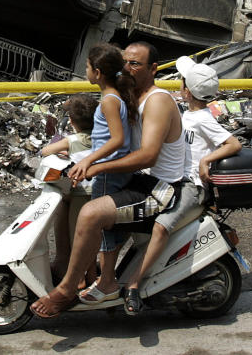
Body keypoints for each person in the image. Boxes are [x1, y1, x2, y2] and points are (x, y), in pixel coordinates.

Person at [30, 40, 188, 319]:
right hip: (138, 180)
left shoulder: (158, 101)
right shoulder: (127, 96)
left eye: (135, 63)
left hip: (159, 188)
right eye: (125, 61)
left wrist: (96, 166)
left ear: (153, 69)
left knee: (91, 214)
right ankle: (98, 278)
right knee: (82, 202)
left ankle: (68, 289)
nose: (127, 68)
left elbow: (148, 156)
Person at [117, 55, 242, 312]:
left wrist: (206, 159)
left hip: (191, 187)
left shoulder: (204, 119)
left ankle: (134, 285)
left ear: (186, 90)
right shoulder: (184, 114)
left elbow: (233, 144)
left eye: (182, 82)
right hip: (169, 180)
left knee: (161, 228)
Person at [66, 43, 138, 301]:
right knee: (110, 226)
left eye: (86, 66)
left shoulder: (109, 101)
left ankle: (106, 282)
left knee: (103, 227)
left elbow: (117, 140)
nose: (85, 70)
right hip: (111, 171)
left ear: (97, 72)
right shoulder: (114, 97)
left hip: (108, 173)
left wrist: (89, 162)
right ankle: (106, 277)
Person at [39, 93, 99, 285]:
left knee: (77, 237)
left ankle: (79, 278)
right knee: (67, 216)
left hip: (81, 194)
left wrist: (63, 151)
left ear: (71, 121)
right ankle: (64, 264)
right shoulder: (102, 137)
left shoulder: (73, 140)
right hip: (94, 191)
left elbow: (44, 151)